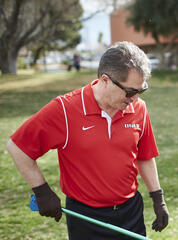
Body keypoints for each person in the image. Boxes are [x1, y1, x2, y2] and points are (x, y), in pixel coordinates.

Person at [7, 41, 169, 239]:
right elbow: (17, 147)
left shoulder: (138, 109)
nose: (135, 99)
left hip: (130, 212)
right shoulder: (64, 110)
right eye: (130, 92)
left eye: (140, 91)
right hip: (87, 218)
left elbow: (144, 156)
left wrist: (158, 198)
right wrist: (42, 191)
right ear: (105, 80)